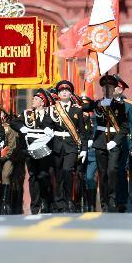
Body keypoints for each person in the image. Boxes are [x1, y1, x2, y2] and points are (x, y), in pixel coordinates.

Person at [85, 74, 130, 212]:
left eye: (110, 87)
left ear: (114, 89)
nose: (107, 90)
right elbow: (85, 107)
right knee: (102, 173)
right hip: (100, 142)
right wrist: (94, 104)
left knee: (112, 170)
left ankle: (112, 198)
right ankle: (104, 202)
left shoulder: (120, 105)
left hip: (114, 141)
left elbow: (125, 127)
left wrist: (115, 142)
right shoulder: (98, 103)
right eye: (105, 88)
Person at [49, 80, 87, 213]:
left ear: (71, 93)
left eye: (67, 91)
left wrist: (84, 149)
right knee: (57, 174)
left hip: (71, 145)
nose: (64, 93)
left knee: (67, 171)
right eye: (61, 91)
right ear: (58, 94)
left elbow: (82, 131)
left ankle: (69, 200)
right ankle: (59, 202)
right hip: (56, 144)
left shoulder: (77, 110)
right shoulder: (53, 109)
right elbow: (47, 125)